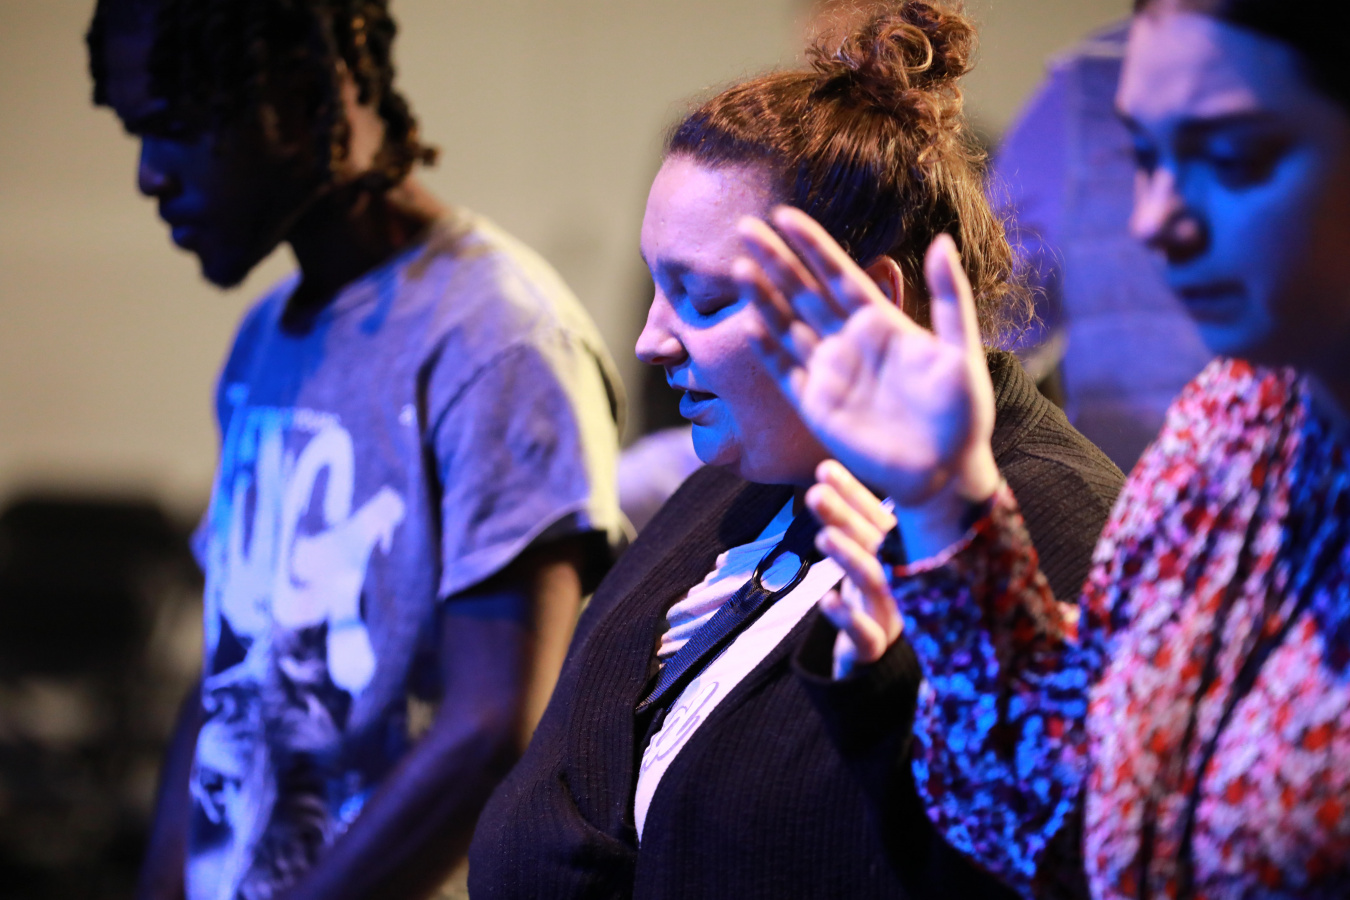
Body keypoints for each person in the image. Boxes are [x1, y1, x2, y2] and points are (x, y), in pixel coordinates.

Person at [467, 3, 1122, 896]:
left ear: (869, 299)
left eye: (706, 300)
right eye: (659, 287)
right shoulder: (735, 478)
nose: (653, 341)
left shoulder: (1055, 527)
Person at [737, 0, 1350, 896]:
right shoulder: (1231, 423)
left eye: (1231, 158)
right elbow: (1057, 809)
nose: (1155, 219)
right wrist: (946, 499)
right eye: (1144, 156)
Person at [85, 1, 625, 898]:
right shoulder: (265, 338)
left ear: (304, 97)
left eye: (177, 127)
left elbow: (493, 730)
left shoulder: (499, 338)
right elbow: (227, 669)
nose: (150, 174)